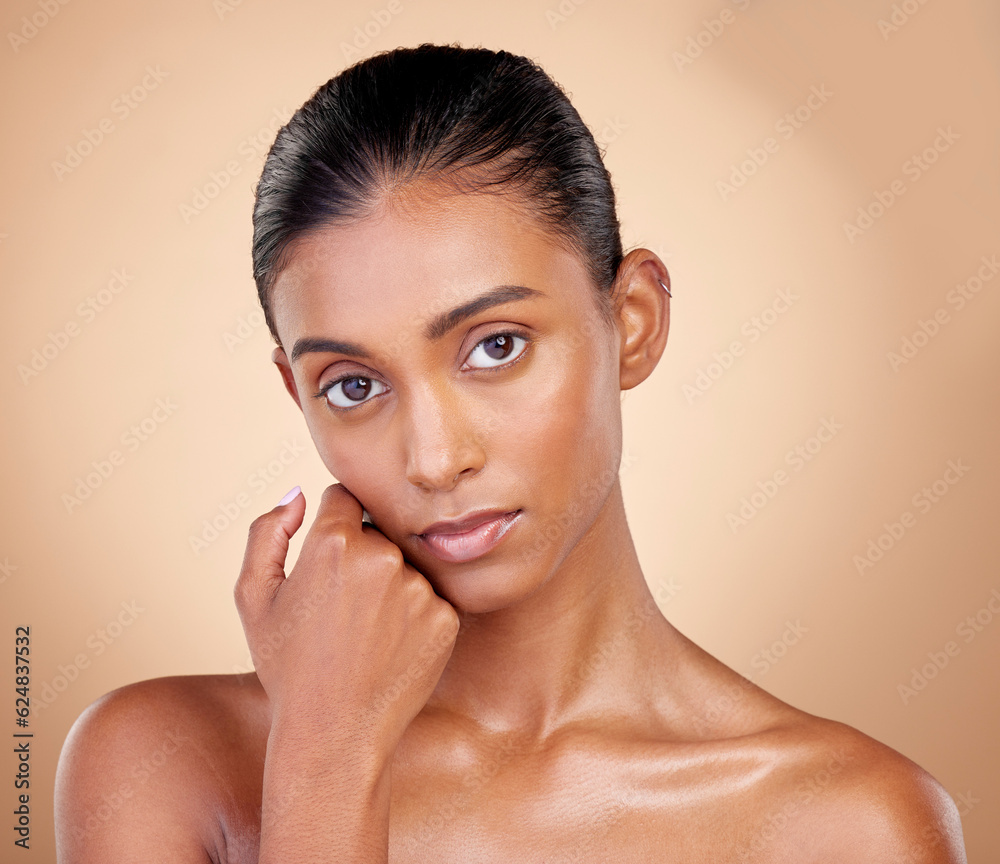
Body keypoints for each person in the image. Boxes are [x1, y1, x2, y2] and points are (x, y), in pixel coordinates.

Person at [54, 43, 968, 863]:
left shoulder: (847, 826)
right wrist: (328, 757)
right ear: (297, 393)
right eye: (354, 385)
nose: (434, 458)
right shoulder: (158, 762)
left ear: (633, 323)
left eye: (496, 345)